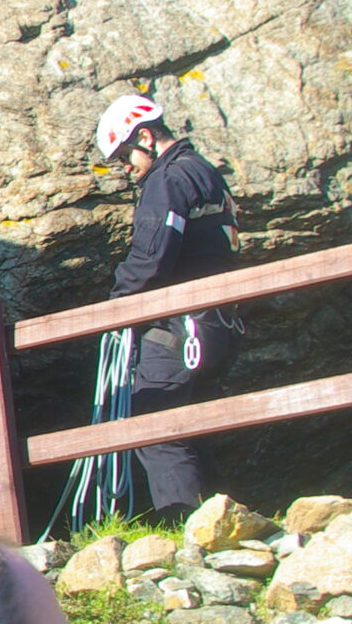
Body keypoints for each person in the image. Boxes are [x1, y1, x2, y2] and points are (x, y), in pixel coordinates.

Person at [97, 93, 243, 520]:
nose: (125, 169)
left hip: (181, 328)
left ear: (146, 136)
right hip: (217, 324)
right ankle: (220, 527)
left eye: (125, 156)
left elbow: (150, 257)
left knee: (157, 428)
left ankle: (186, 531)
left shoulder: (167, 179)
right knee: (192, 431)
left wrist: (115, 305)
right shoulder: (205, 173)